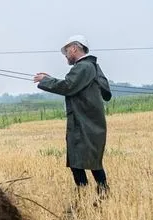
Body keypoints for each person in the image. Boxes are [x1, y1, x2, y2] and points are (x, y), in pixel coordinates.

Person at [33, 35, 112, 193]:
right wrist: (49, 79)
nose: (66, 56)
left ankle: (84, 193)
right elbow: (103, 91)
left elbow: (68, 86)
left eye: (67, 51)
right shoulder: (93, 66)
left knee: (78, 161)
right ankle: (101, 193)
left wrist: (44, 80)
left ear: (74, 48)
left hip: (84, 124)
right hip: (91, 124)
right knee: (91, 160)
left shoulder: (83, 67)